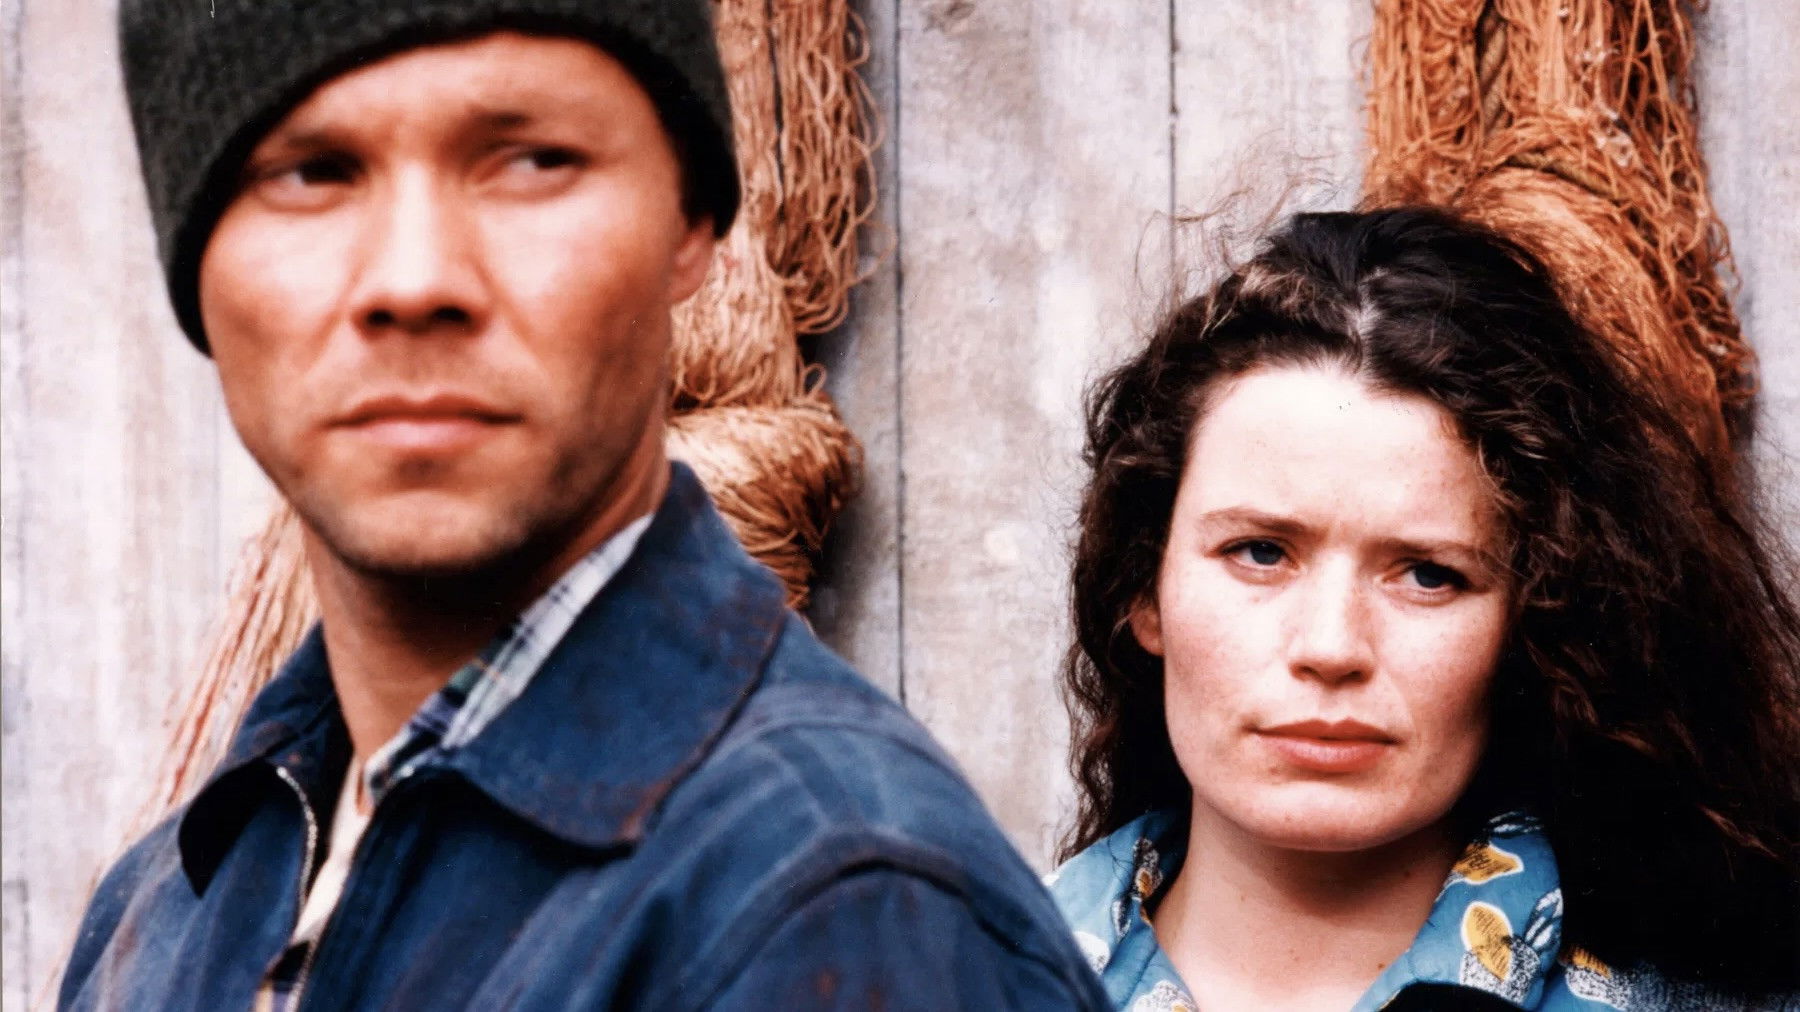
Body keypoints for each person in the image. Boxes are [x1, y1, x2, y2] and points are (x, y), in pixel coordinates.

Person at [58, 3, 1107, 1009]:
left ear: (694, 223)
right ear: (191, 265)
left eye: (531, 161)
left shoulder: (836, 906)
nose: (414, 280)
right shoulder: (172, 904)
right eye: (313, 173)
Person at [1048, 207, 1800, 1010]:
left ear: (1535, 622)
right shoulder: (966, 977)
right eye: (1260, 552)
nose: (1331, 645)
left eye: (1429, 575)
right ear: (1144, 589)